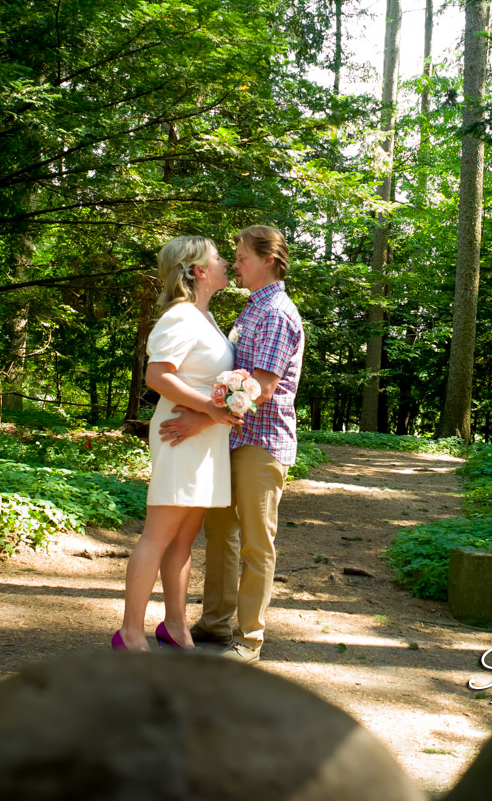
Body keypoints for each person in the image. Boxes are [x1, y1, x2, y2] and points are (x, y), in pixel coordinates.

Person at [158, 225, 303, 663]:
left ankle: (250, 639)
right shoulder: (250, 311)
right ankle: (216, 623)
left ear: (268, 260)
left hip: (261, 441)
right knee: (221, 535)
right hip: (230, 437)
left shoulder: (276, 312)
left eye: (241, 256)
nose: (234, 263)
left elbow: (260, 386)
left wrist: (199, 419)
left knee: (258, 541)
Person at [113, 235, 240, 652]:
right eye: (219, 258)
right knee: (159, 535)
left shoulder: (205, 317)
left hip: (204, 433)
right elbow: (157, 376)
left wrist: (212, 414)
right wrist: (210, 407)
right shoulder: (181, 316)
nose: (227, 264)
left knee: (185, 539)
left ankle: (175, 625)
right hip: (179, 433)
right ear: (198, 271)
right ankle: (130, 632)